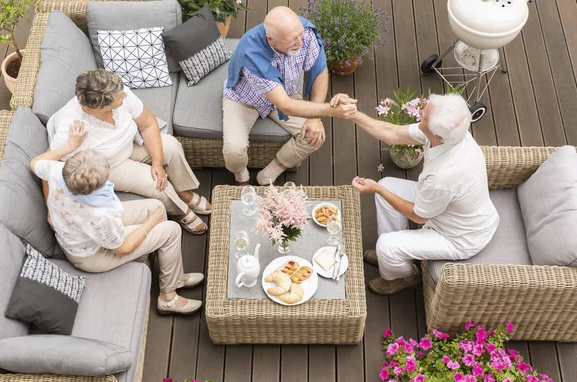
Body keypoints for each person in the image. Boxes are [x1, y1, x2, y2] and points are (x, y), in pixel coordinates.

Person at [331, 93, 499, 295]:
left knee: (385, 240)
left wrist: (377, 189)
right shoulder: (454, 134)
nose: (419, 113)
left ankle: (403, 276)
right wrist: (353, 115)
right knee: (388, 186)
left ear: (437, 135)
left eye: (424, 116)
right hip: (446, 209)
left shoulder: (444, 176)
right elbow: (392, 133)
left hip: (458, 236)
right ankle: (393, 256)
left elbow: (418, 215)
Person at [30, 123, 203, 314]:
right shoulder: (100, 215)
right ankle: (168, 298)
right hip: (90, 255)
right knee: (171, 230)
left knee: (157, 206)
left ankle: (175, 277)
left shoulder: (59, 172)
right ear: (94, 189)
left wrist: (69, 147)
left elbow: (35, 162)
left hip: (80, 230)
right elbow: (122, 249)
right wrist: (149, 224)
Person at [47, 69, 210, 235]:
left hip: (130, 143)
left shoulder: (117, 90)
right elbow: (49, 167)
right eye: (120, 97)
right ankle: (180, 211)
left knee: (172, 146)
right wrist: (50, 207)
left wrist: (157, 162)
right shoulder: (69, 127)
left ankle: (184, 192)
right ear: (102, 107)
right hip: (109, 165)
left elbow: (148, 124)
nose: (125, 95)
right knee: (157, 183)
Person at [223, 6, 357, 185]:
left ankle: (268, 175)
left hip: (285, 92)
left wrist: (315, 118)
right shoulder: (252, 52)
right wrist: (332, 111)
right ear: (270, 39)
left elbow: (320, 72)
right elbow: (284, 104)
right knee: (233, 151)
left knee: (314, 137)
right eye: (293, 40)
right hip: (245, 100)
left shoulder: (304, 33)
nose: (300, 43)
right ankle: (241, 175)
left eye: (300, 35)